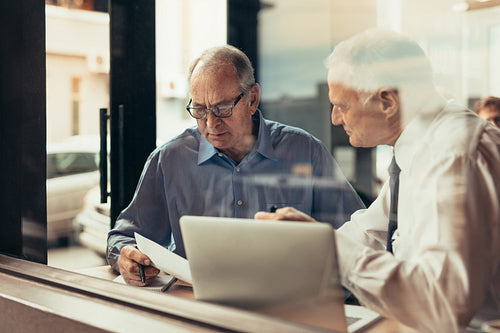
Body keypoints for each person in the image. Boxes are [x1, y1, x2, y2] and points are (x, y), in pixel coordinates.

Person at [255, 28, 500, 332]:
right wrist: (300, 247)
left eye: (342, 105)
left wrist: (328, 247)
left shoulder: (453, 156)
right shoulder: (418, 148)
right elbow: (369, 231)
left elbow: (443, 307)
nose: (334, 118)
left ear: (387, 102)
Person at [107, 45, 364, 286]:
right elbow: (123, 237)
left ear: (252, 99)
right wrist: (126, 256)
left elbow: (359, 239)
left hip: (288, 305)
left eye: (222, 108)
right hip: (194, 307)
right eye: (199, 109)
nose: (210, 123)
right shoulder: (169, 159)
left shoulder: (306, 152)